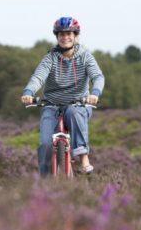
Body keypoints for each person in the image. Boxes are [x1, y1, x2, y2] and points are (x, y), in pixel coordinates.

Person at [21, 17, 104, 177]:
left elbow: (98, 77)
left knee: (74, 112)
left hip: (78, 103)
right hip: (51, 105)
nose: (65, 37)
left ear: (76, 36)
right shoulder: (50, 58)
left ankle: (83, 157)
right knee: (45, 144)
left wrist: (95, 93)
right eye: (61, 34)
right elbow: (38, 77)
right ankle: (45, 182)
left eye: (69, 34)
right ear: (57, 37)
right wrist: (28, 92)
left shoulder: (85, 56)